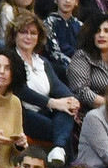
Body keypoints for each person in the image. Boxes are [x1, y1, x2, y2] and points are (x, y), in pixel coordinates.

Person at [6, 14, 78, 158]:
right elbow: (20, 90)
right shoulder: (9, 58)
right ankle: (62, 156)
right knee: (61, 131)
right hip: (22, 113)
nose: (29, 37)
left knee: (67, 112)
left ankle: (58, 150)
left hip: (44, 110)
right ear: (14, 36)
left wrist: (72, 100)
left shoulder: (42, 61)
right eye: (23, 32)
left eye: (33, 33)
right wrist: (52, 102)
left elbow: (56, 86)